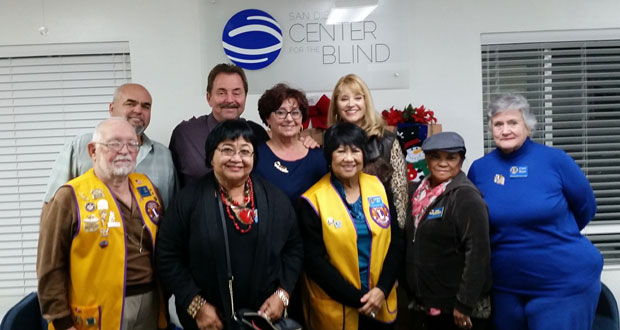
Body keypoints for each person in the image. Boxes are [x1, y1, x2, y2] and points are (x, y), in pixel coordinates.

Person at [467, 93, 603, 330]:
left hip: (562, 283)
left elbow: (586, 208)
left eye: (513, 123)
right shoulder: (480, 169)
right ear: (491, 129)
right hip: (506, 286)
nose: (505, 130)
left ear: (528, 126)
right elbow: (476, 224)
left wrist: (550, 235)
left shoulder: (555, 160)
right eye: (498, 124)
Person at [156, 120, 304, 330]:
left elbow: (294, 249)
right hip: (208, 321)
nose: (236, 158)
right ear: (211, 156)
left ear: (254, 157)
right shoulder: (188, 200)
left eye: (245, 151)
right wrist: (195, 304)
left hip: (263, 319)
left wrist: (283, 294)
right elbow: (167, 254)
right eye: (227, 150)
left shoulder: (275, 199)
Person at [37, 117, 167, 330]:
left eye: (132, 144)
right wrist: (60, 320)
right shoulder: (69, 196)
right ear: (93, 151)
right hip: (96, 311)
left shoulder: (148, 189)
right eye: (114, 144)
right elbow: (49, 265)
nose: (125, 150)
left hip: (150, 304)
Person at [298, 122, 403, 330]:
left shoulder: (378, 187)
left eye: (355, 150)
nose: (349, 158)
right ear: (329, 156)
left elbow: (397, 240)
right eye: (340, 151)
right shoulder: (313, 200)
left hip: (380, 300)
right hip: (338, 306)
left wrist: (382, 289)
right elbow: (314, 263)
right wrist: (361, 299)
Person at [404, 132, 491, 330]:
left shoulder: (466, 196)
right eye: (436, 157)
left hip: (457, 309)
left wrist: (464, 303)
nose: (443, 163)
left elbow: (478, 253)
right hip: (426, 305)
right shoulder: (415, 192)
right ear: (426, 159)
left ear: (461, 160)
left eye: (451, 158)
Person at [43, 83, 177, 209]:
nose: (138, 110)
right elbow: (53, 205)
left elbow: (173, 211)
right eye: (130, 103)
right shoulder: (79, 147)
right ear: (112, 109)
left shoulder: (164, 155)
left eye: (146, 106)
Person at [168, 63, 270, 188]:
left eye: (236, 93)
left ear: (245, 97)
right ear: (209, 97)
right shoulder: (185, 134)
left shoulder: (257, 133)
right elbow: (172, 184)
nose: (230, 99)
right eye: (222, 93)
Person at [328, 74, 408, 229]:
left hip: (383, 228)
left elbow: (400, 195)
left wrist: (396, 236)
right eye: (344, 99)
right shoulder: (330, 141)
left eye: (357, 98)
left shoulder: (388, 142)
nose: (351, 104)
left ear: (366, 102)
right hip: (341, 227)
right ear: (336, 105)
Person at [254, 83, 328, 203]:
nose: (289, 119)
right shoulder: (256, 158)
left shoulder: (319, 157)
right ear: (268, 118)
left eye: (295, 113)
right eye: (281, 113)